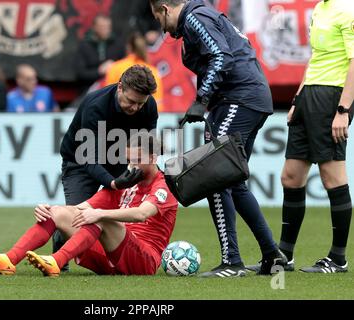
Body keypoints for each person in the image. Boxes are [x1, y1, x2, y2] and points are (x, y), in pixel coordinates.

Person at [150, 0, 287, 277]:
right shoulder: (203, 16)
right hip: (247, 99)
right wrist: (204, 103)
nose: (161, 28)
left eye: (158, 18)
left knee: (215, 176)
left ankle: (232, 262)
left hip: (238, 99)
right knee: (233, 180)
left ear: (164, 8)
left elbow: (221, 56)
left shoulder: (194, 17)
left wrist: (201, 100)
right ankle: (272, 255)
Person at [0, 132, 178, 277]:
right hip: (111, 256)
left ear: (153, 157)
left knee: (101, 218)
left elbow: (142, 214)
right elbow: (82, 208)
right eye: (129, 160)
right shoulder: (125, 183)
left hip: (143, 261)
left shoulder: (163, 185)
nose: (131, 166)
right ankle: (9, 260)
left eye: (136, 160)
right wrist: (51, 210)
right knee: (58, 213)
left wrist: (100, 214)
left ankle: (56, 261)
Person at [271, 0, 353, 273]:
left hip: (331, 97)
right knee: (290, 176)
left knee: (333, 178)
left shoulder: (349, 9)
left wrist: (343, 109)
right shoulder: (320, 8)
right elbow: (316, 58)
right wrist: (297, 98)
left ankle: (338, 258)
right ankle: (284, 256)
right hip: (309, 97)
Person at [54, 64, 159, 271]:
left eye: (140, 103)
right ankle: (60, 241)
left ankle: (115, 260)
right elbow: (89, 159)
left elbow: (146, 145)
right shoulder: (95, 105)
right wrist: (112, 182)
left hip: (117, 158)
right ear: (120, 87)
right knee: (77, 217)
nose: (135, 108)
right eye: (130, 101)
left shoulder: (149, 105)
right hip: (80, 162)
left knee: (114, 218)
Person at [104, 32, 165, 111]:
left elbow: (108, 98)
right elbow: (158, 103)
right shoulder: (152, 71)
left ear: (129, 47)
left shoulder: (115, 67)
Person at [74, 14, 126, 96]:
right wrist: (99, 71)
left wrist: (114, 67)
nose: (105, 30)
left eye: (107, 27)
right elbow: (80, 73)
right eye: (102, 27)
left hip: (114, 88)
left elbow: (126, 67)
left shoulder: (118, 44)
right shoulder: (84, 45)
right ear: (94, 27)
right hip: (89, 89)